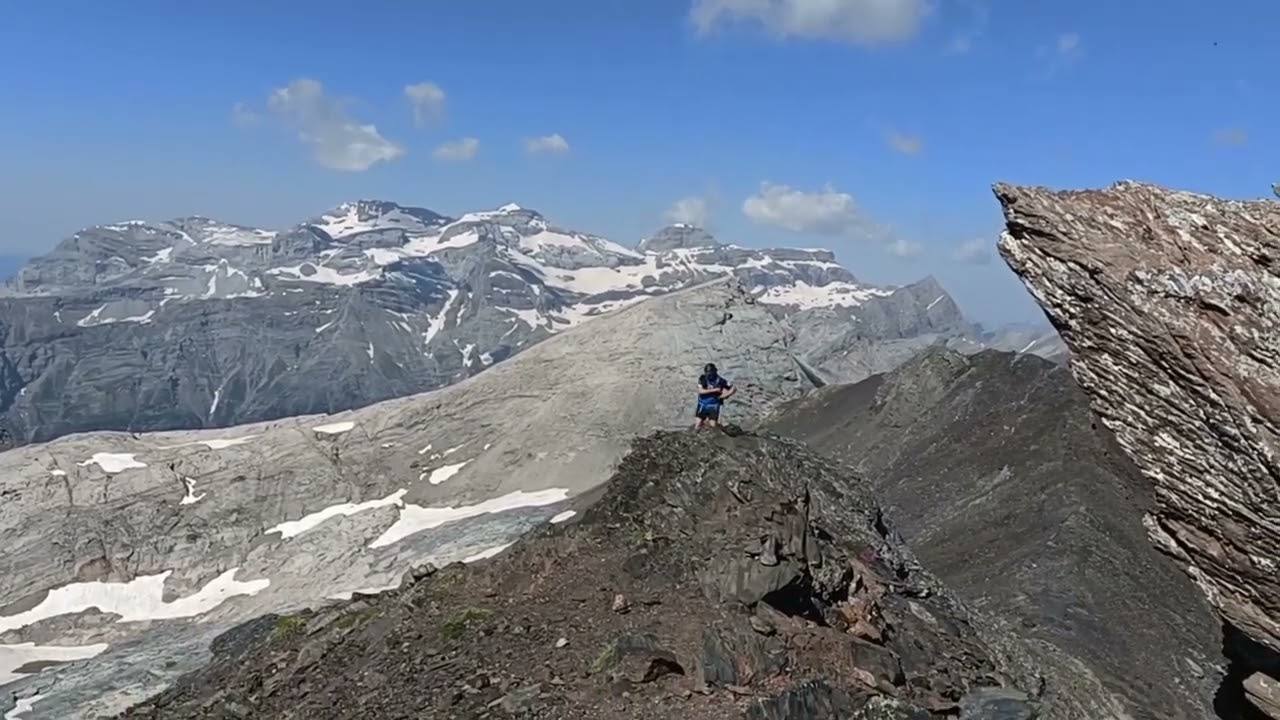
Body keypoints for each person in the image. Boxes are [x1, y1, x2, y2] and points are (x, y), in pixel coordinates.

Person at [695, 362, 736, 429]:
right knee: (697, 425)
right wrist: (714, 390)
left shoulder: (720, 380)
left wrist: (727, 394)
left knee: (712, 426)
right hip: (702, 404)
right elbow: (700, 391)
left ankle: (717, 426)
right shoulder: (702, 378)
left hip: (713, 406)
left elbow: (733, 387)